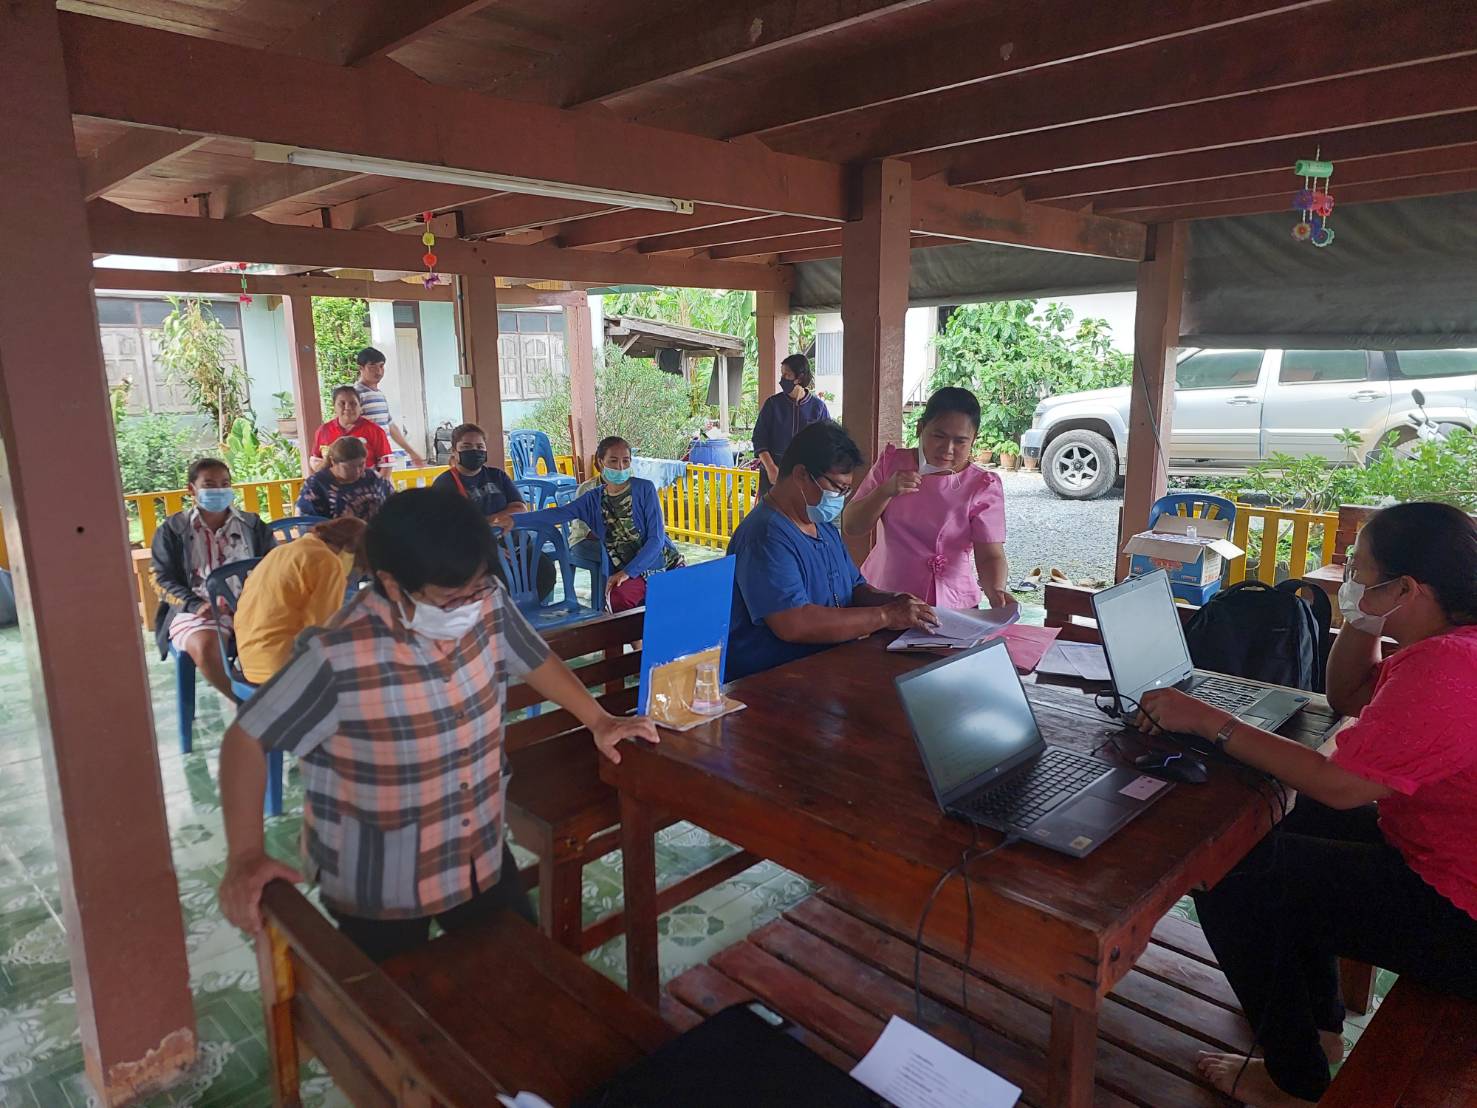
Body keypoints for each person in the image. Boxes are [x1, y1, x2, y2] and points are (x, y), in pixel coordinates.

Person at [216, 489, 659, 962]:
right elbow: (246, 739)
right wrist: (245, 855)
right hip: (377, 880)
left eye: (477, 586)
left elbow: (533, 657)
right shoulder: (339, 653)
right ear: (390, 582)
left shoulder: (485, 601)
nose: (468, 605)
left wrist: (601, 720)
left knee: (517, 977)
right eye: (450, 599)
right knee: (395, 1012)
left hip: (475, 850)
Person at [1131, 501, 1477, 1108]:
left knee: (1226, 877)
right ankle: (1317, 1028)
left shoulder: (1451, 668)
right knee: (1277, 820)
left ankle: (1294, 1081)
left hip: (1461, 914)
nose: (1350, 584)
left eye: (1363, 576)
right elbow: (1346, 695)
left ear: (1410, 588)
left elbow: (1339, 782)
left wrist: (1210, 721)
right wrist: (1366, 620)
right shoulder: (1446, 640)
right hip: (1437, 844)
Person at [725, 420, 938, 682]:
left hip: (823, 670)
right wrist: (885, 615)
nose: (840, 499)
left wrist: (896, 602)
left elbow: (854, 589)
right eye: (837, 488)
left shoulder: (821, 526)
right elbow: (794, 623)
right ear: (802, 474)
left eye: (846, 490)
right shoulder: (765, 536)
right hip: (771, 683)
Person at [842, 387, 1009, 609]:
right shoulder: (891, 465)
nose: (948, 449)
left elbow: (990, 554)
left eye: (960, 441)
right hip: (887, 596)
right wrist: (885, 492)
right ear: (921, 428)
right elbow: (852, 525)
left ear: (974, 439)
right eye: (938, 436)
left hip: (953, 602)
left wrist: (996, 591)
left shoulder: (982, 484)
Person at [151, 458, 275, 698]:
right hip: (197, 611)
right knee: (208, 647)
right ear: (192, 489)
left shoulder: (252, 526)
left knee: (296, 637)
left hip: (253, 608)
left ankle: (270, 699)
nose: (218, 490)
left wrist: (256, 603)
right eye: (209, 484)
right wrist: (196, 605)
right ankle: (246, 704)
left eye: (225, 483)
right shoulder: (174, 530)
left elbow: (275, 567)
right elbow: (159, 579)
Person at [522, 436, 684, 613]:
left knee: (677, 607)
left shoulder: (645, 489)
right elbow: (557, 514)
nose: (620, 467)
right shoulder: (592, 498)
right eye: (613, 461)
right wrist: (514, 520)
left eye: (626, 461)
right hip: (628, 572)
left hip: (662, 564)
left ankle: (646, 638)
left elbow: (657, 539)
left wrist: (627, 572)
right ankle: (636, 640)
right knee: (617, 600)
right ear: (601, 463)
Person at [234, 517, 366, 685]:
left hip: (250, 664)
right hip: (283, 667)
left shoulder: (282, 551)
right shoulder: (328, 562)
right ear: (349, 549)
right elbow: (321, 632)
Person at [432, 423, 555, 599]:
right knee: (498, 584)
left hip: (516, 547)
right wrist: (489, 545)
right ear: (454, 451)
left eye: (479, 447)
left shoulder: (497, 476)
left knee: (545, 571)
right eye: (466, 447)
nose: (474, 451)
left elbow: (519, 508)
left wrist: (488, 521)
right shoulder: (444, 484)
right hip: (477, 555)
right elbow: (449, 530)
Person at [752, 353, 830, 497]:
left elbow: (827, 445)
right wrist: (771, 468)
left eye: (787, 375)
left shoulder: (818, 408)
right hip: (773, 477)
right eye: (782, 374)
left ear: (799, 378)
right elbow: (759, 438)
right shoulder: (773, 404)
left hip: (805, 479)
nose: (782, 379)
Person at [353, 346, 426, 468]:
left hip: (382, 457)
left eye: (381, 366)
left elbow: (391, 427)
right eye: (372, 366)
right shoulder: (356, 394)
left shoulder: (379, 394)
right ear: (361, 368)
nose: (378, 371)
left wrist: (411, 452)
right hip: (364, 460)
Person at [296, 436, 394, 521]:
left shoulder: (373, 478)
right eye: (349, 467)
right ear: (333, 461)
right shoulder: (316, 484)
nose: (357, 471)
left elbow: (394, 506)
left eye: (361, 465)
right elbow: (307, 523)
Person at [309, 385, 392, 473]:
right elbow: (314, 462)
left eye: (353, 403)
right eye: (342, 403)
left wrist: (378, 486)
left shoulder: (375, 431)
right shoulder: (323, 431)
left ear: (360, 407)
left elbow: (386, 466)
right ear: (334, 407)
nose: (348, 407)